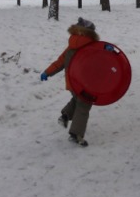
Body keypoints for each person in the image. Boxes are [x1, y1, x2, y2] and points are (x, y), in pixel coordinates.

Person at [40, 17, 100, 146]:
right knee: (83, 106)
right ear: (91, 33)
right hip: (86, 84)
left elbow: (59, 62)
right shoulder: (93, 47)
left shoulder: (71, 46)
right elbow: (102, 62)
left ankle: (65, 115)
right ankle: (76, 134)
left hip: (72, 84)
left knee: (77, 99)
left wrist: (47, 72)